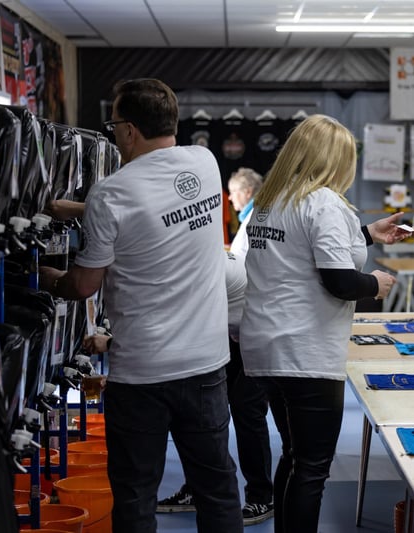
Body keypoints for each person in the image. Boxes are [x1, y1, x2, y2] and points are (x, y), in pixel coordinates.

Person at [39, 78, 243, 533]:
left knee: (135, 495)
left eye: (114, 126)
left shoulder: (113, 193)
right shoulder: (205, 164)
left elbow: (83, 285)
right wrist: (73, 210)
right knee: (217, 488)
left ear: (129, 130)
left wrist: (43, 276)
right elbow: (150, 214)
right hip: (207, 365)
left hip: (143, 373)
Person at [238, 114, 405, 533]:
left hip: (265, 346)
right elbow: (338, 279)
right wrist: (377, 284)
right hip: (305, 351)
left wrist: (366, 233)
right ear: (333, 160)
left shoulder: (271, 200)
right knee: (311, 468)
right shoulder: (326, 202)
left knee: (294, 457)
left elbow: (301, 250)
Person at [158, 166, 275, 526]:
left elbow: (176, 321)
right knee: (207, 412)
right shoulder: (192, 260)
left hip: (260, 336)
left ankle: (261, 497)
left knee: (246, 411)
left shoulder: (208, 269)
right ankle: (198, 486)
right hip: (232, 336)